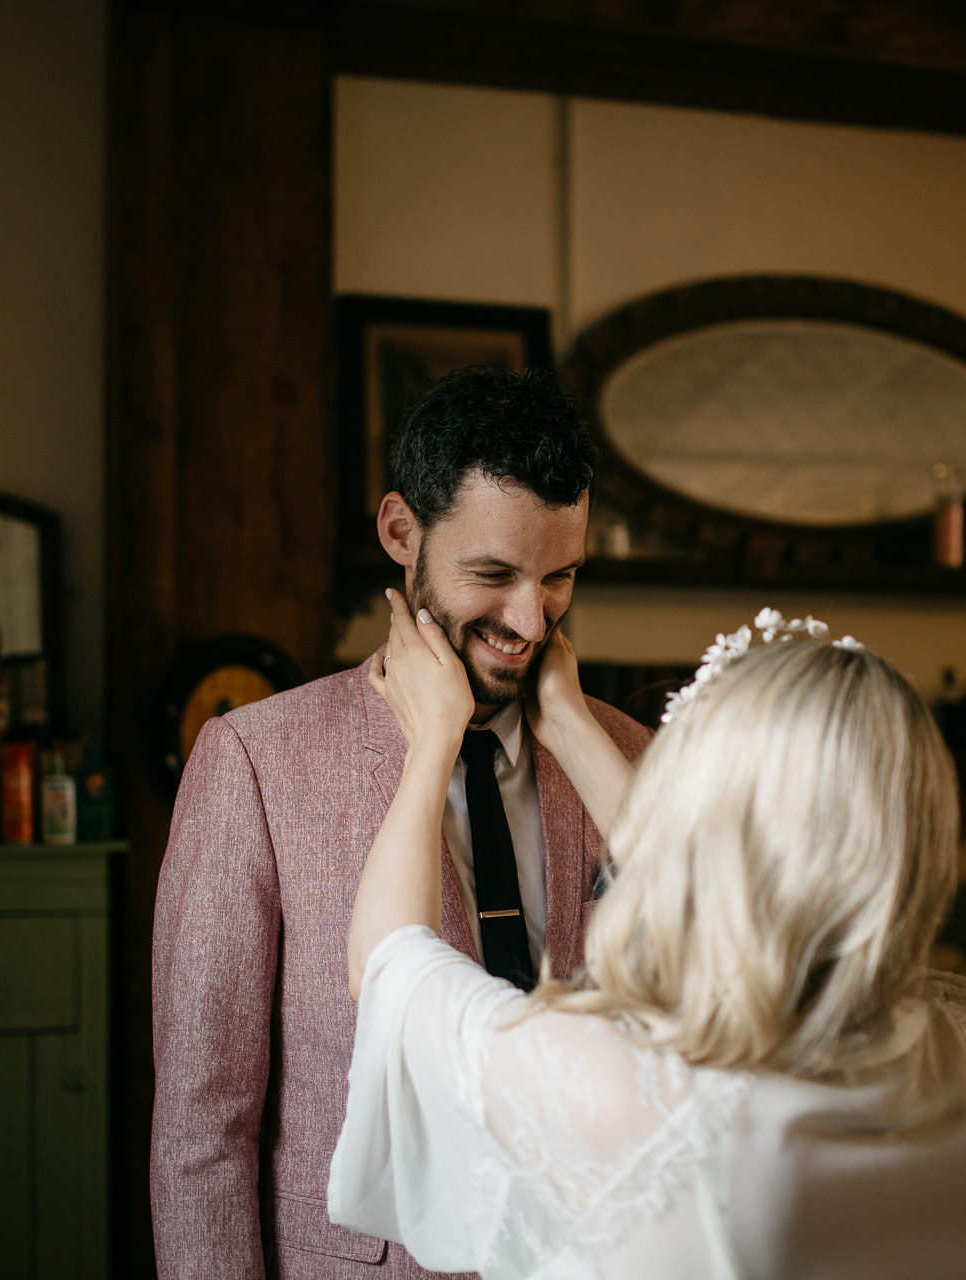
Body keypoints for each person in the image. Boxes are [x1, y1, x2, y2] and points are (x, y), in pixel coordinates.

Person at [329, 602, 966, 1279]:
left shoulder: (643, 1101)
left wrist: (432, 740)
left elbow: (388, 963)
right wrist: (570, 725)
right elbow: (728, 905)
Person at [150, 365, 653, 1279]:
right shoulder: (255, 764)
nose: (529, 620)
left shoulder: (629, 757)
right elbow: (202, 1134)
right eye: (492, 575)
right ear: (399, 532)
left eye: (560, 578)